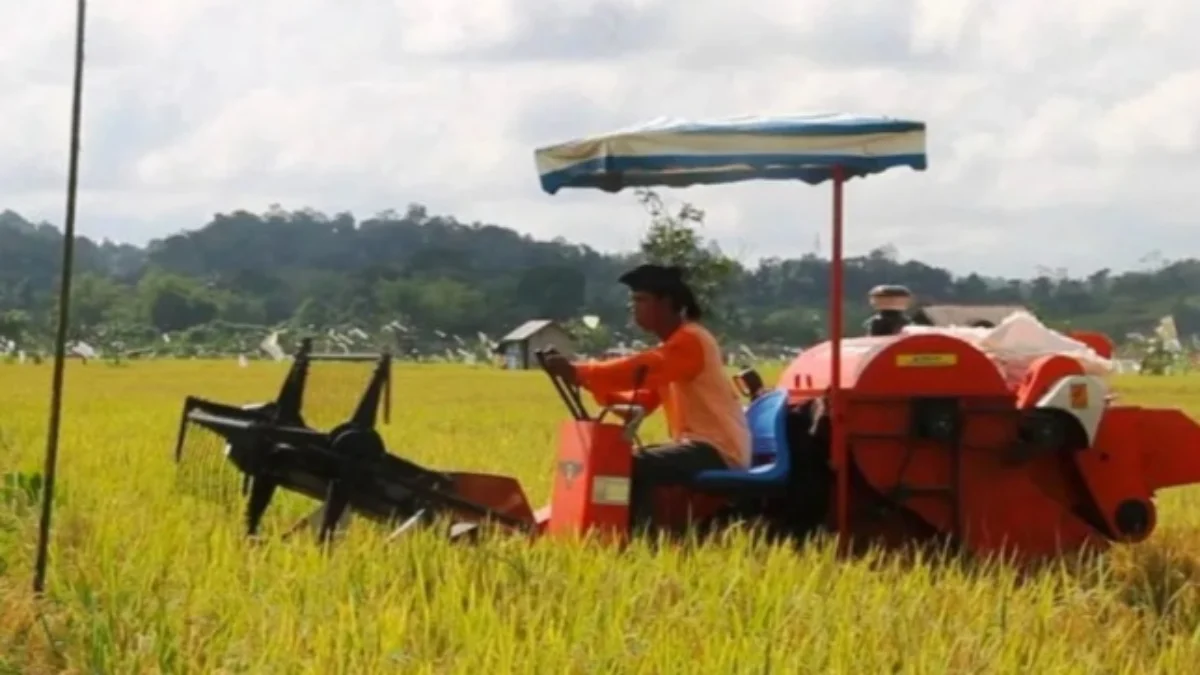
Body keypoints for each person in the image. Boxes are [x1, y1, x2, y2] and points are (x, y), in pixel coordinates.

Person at [541, 263, 751, 533]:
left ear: (667, 303)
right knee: (623, 460)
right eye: (633, 300)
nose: (634, 307)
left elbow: (641, 367)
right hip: (699, 447)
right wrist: (587, 383)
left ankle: (639, 539)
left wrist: (580, 372)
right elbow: (637, 405)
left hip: (718, 449)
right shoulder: (674, 349)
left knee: (633, 465)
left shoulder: (690, 341)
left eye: (641, 300)